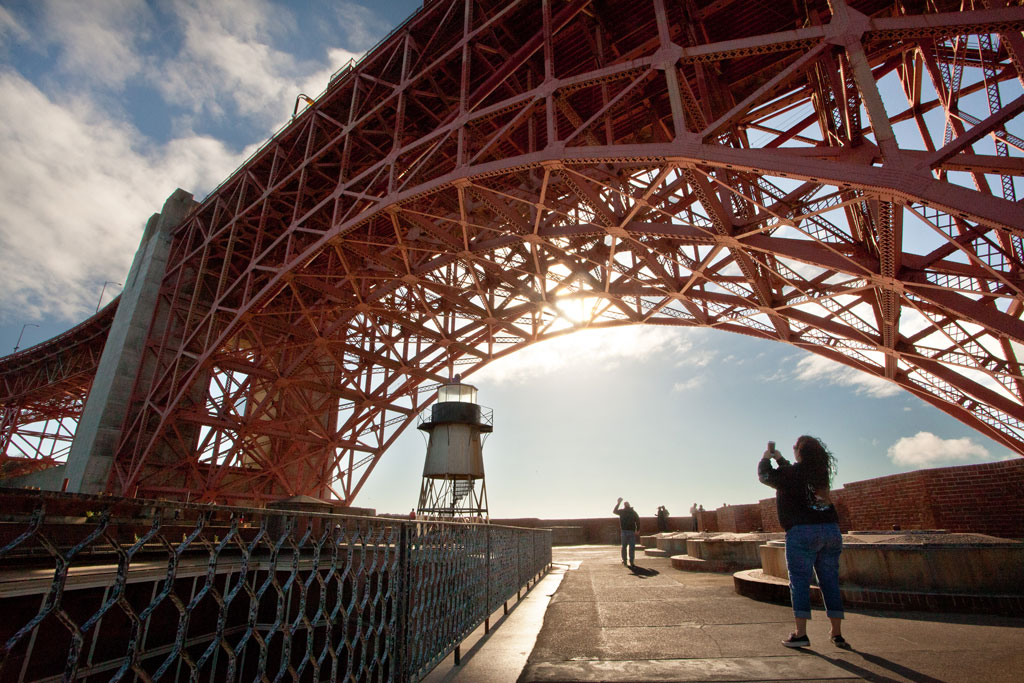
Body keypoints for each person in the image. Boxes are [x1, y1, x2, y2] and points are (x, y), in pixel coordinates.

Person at [758, 436, 848, 650]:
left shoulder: (791, 474)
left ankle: (801, 634)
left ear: (799, 451)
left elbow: (765, 476)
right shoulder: (820, 473)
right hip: (831, 529)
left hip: (802, 531)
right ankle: (837, 634)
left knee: (799, 583)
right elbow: (793, 474)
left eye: (795, 448)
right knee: (830, 582)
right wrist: (781, 459)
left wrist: (765, 458)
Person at [613, 497, 640, 567]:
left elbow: (614, 511)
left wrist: (618, 503)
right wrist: (638, 529)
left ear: (624, 505)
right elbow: (638, 521)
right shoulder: (633, 512)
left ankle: (625, 560)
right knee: (631, 547)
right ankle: (631, 561)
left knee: (624, 547)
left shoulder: (623, 511)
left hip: (625, 531)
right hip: (630, 531)